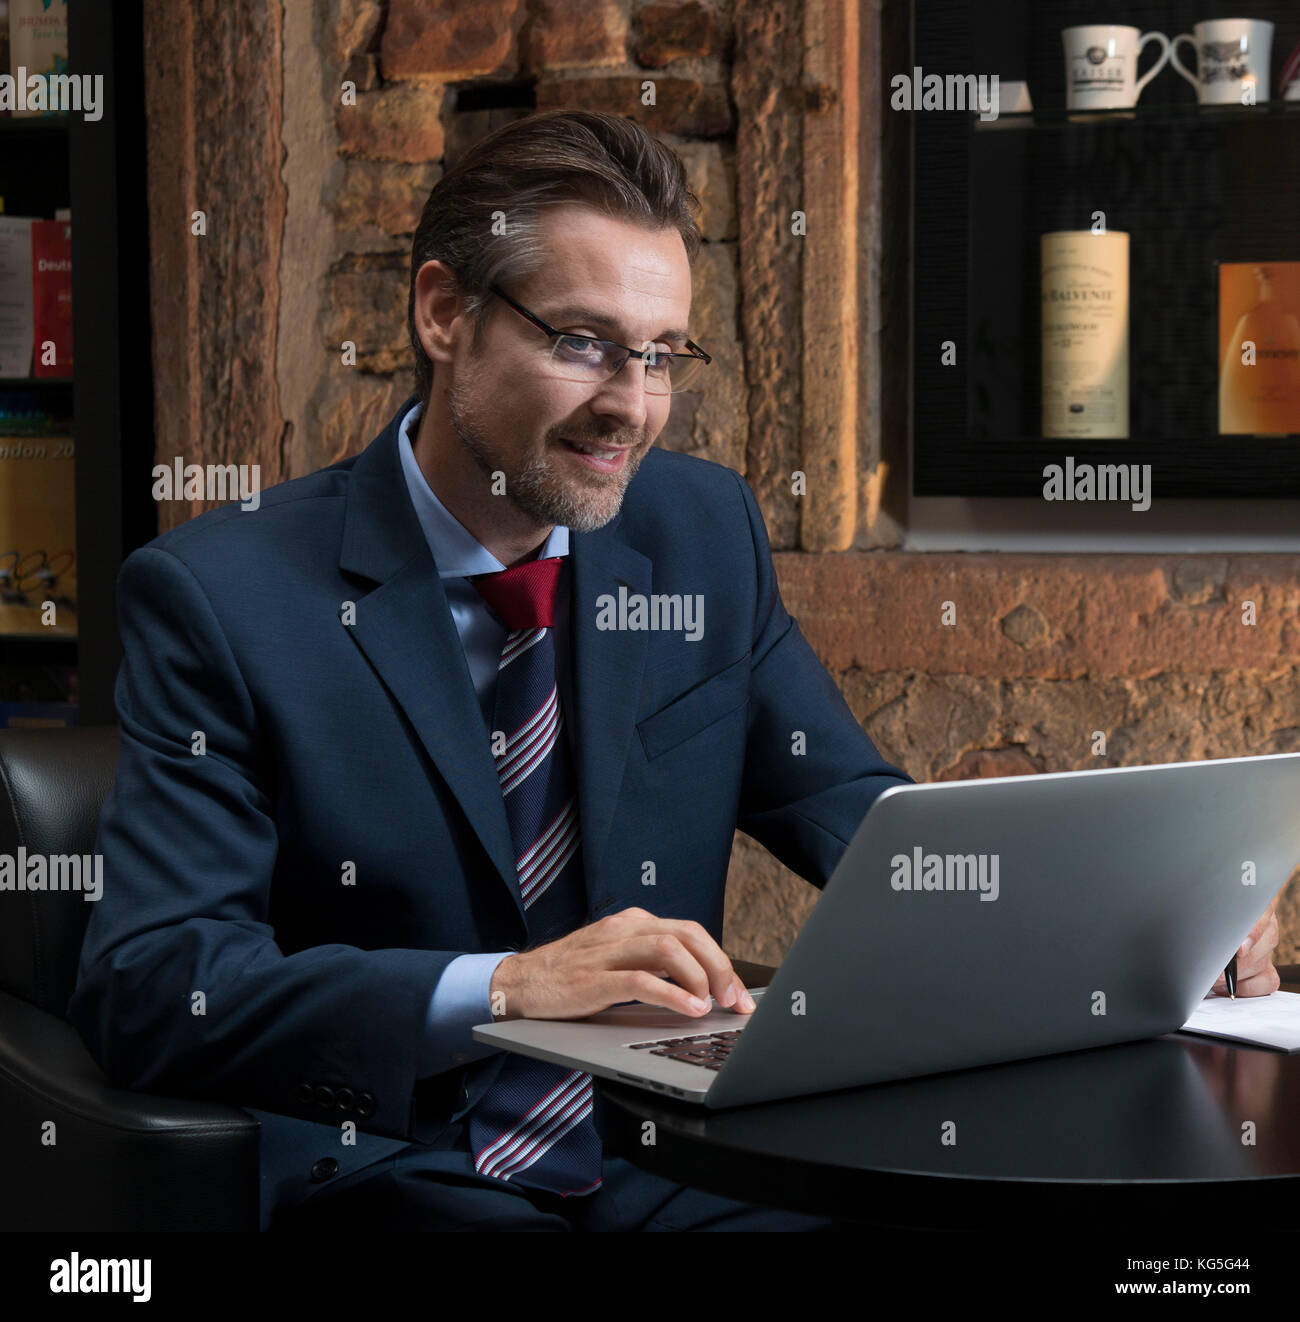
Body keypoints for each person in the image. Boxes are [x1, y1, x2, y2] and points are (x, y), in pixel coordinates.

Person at [66, 109, 1282, 1233]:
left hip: (668, 1155)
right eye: (586, 345)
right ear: (444, 312)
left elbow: (856, 813)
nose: (632, 409)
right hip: (392, 1162)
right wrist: (508, 984)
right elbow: (156, 981)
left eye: (660, 355)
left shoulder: (699, 532)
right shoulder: (223, 598)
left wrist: (1135, 915)